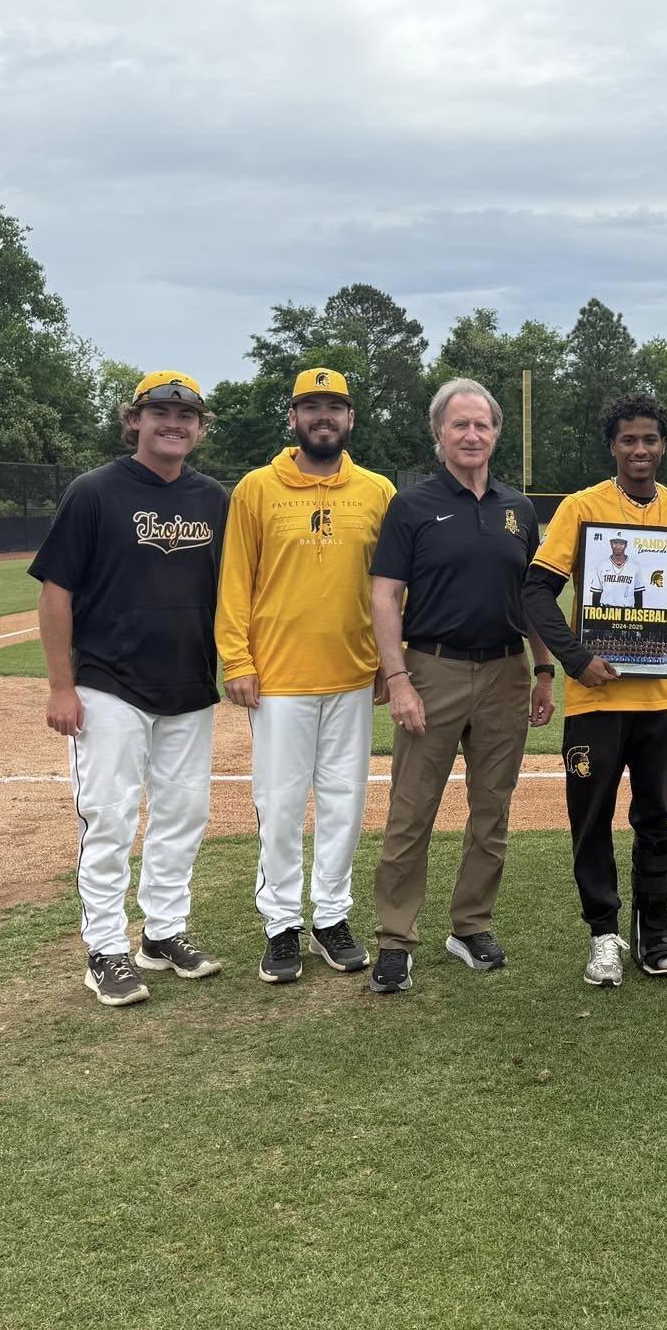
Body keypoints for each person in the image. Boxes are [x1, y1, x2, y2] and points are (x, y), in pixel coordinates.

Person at [31, 370, 228, 1007]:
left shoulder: (214, 500)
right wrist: (62, 686)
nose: (174, 423)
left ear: (199, 429)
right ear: (134, 421)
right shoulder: (94, 492)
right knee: (110, 817)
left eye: (187, 415)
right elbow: (56, 592)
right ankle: (105, 950)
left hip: (189, 684)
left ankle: (163, 934)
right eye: (160, 412)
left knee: (182, 816)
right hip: (109, 684)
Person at [367, 378, 556, 993]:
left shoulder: (517, 507)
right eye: (460, 425)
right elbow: (385, 594)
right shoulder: (413, 505)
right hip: (432, 668)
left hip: (506, 672)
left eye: (483, 425)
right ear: (439, 434)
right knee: (411, 810)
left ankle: (470, 924)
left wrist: (545, 669)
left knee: (491, 812)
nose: (472, 435)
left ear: (497, 433)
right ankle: (396, 938)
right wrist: (397, 678)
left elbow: (533, 597)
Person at [216, 367, 397, 986]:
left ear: (350, 419)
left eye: (335, 407)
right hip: (279, 677)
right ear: (292, 417)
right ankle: (280, 924)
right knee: (281, 801)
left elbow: (393, 586)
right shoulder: (257, 488)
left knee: (346, 802)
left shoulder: (377, 491)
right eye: (311, 407)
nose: (324, 417)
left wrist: (386, 665)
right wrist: (237, 660)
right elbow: (235, 580)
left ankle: (332, 917)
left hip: (351, 672)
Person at [523, 393, 667, 987]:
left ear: (663, 445)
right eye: (628, 440)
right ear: (613, 446)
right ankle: (604, 935)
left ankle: (656, 933)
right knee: (592, 817)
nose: (640, 450)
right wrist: (576, 659)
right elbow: (534, 592)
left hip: (661, 698)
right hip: (596, 699)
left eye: (650, 439)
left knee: (658, 817)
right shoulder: (581, 509)